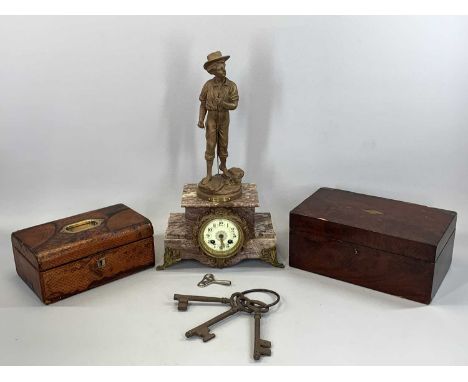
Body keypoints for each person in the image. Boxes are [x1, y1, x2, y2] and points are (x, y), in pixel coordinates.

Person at [198, 51, 239, 185]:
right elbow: (203, 103)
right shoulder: (208, 85)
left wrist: (223, 103)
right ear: (213, 71)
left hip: (224, 117)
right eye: (220, 68)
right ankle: (209, 174)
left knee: (224, 143)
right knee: (210, 144)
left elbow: (234, 105)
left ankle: (223, 166)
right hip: (211, 117)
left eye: (224, 67)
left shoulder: (231, 85)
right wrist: (200, 119)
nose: (224, 70)